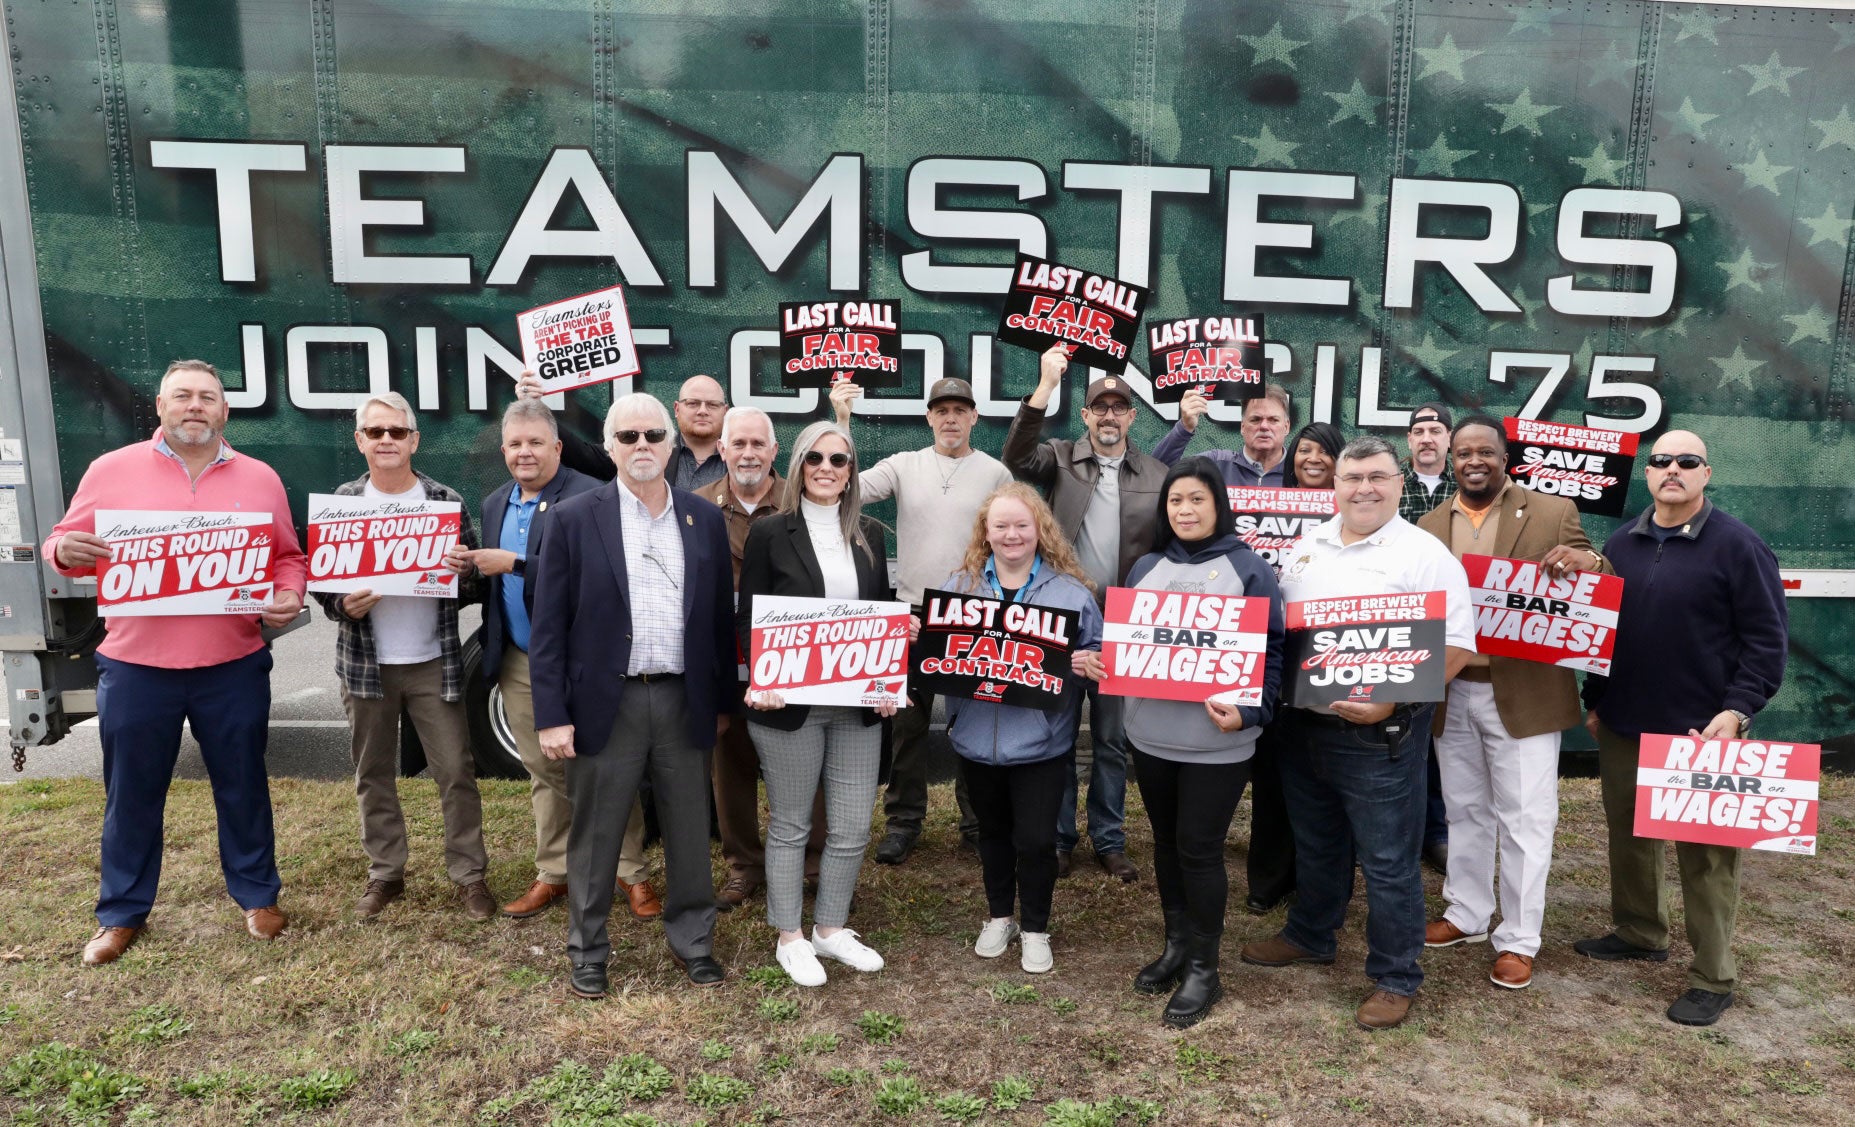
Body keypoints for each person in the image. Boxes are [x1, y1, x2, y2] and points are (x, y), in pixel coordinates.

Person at [46, 360, 307, 966]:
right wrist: (64, 550)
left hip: (233, 663)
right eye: (182, 396)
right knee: (132, 794)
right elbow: (65, 544)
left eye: (208, 398)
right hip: (137, 667)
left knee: (242, 786)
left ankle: (257, 895)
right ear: (160, 406)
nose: (196, 406)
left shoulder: (261, 478)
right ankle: (121, 913)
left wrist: (288, 595)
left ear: (224, 411)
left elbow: (288, 558)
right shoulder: (111, 471)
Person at [1239, 436, 1475, 1031]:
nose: (1364, 488)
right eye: (1353, 478)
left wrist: (1391, 700)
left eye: (1377, 477)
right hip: (1303, 726)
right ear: (1335, 485)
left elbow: (1457, 647)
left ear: (1399, 483)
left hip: (1380, 734)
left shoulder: (1425, 555)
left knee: (1389, 858)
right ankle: (1312, 934)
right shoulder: (1305, 545)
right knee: (1317, 841)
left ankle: (1396, 975)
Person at [1576, 430, 1787, 1027]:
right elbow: (1603, 632)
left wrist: (1738, 710)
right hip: (1624, 723)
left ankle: (1713, 975)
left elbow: (1767, 643)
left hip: (1701, 735)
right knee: (1631, 835)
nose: (1673, 469)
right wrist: (1597, 698)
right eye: (1661, 460)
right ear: (1647, 474)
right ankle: (1641, 932)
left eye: (1686, 461)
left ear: (1705, 472)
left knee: (1708, 860)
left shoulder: (1740, 546)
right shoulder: (1623, 541)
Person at [529, 393, 737, 998]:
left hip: (683, 699)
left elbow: (719, 627)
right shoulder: (572, 517)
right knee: (596, 833)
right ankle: (588, 951)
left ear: (671, 445)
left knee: (691, 826)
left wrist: (721, 702)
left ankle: (694, 942)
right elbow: (548, 629)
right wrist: (552, 716)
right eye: (627, 437)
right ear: (610, 447)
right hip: (606, 703)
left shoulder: (703, 518)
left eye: (652, 435)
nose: (641, 446)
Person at [1077, 457, 1284, 1027]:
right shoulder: (1145, 566)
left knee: (1199, 848)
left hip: (1217, 745)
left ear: (1219, 503)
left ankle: (1205, 967)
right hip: (1151, 737)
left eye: (1196, 499)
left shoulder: (1251, 570)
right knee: (1165, 844)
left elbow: (1275, 659)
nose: (1185, 510)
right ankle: (1175, 944)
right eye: (1175, 501)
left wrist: (1249, 713)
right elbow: (1127, 647)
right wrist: (1102, 662)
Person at [1415, 415, 1608, 990]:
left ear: (1506, 457)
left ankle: (1519, 939)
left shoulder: (1552, 511)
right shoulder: (1427, 525)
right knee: (1465, 809)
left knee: (1526, 818)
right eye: (1463, 453)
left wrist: (1589, 563)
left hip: (1524, 692)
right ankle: (1467, 913)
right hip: (1452, 690)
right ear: (1451, 460)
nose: (1475, 461)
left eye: (1486, 452)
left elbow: (1600, 577)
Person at [459, 400, 655, 921]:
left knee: (610, 767)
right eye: (516, 444)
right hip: (522, 661)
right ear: (503, 451)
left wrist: (515, 564)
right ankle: (555, 872)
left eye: (536, 442)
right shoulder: (496, 503)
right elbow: (493, 584)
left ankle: (631, 872)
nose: (525, 452)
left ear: (558, 447)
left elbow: (598, 574)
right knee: (544, 770)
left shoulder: (593, 496)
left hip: (587, 661)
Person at [312, 393, 492, 921]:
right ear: (360, 441)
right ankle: (385, 874)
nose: (386, 440)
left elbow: (474, 579)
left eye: (396, 431)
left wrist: (464, 571)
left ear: (414, 440)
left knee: (455, 770)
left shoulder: (443, 498)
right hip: (366, 664)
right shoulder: (342, 502)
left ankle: (469, 875)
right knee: (373, 771)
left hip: (433, 660)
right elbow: (324, 588)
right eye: (375, 432)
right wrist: (343, 604)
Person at [737, 421, 900, 986]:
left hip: (856, 705)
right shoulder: (770, 533)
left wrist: (888, 677)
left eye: (839, 459)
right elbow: (748, 619)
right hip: (789, 705)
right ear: (800, 466)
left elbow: (879, 614)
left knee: (853, 826)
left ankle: (830, 929)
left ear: (852, 470)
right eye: (815, 459)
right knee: (791, 823)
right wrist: (759, 675)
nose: (827, 468)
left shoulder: (872, 534)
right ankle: (790, 936)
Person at [1003, 344, 1168, 882]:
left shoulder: (1157, 473)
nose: (1110, 416)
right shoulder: (1060, 457)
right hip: (1065, 615)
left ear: (1132, 417)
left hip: (1124, 622)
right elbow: (1015, 458)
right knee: (1058, 732)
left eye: (1119, 407)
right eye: (1100, 407)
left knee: (1112, 740)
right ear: (1086, 415)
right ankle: (1058, 838)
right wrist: (1045, 384)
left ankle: (1109, 838)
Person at [831, 376, 1014, 864]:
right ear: (928, 417)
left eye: (960, 409)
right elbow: (848, 489)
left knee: (976, 721)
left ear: (975, 417)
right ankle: (904, 822)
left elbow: (1013, 535)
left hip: (975, 614)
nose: (951, 418)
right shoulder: (903, 465)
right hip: (912, 614)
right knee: (908, 724)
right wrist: (842, 421)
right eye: (941, 410)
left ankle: (977, 823)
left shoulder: (996, 472)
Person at [940, 484, 1103, 975]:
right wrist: (920, 636)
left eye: (1022, 525)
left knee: (1035, 841)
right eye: (1001, 526)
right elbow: (938, 657)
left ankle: (1035, 926)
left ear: (1040, 531)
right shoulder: (959, 588)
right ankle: (999, 916)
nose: (1011, 535)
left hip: (1041, 744)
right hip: (975, 740)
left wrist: (1089, 662)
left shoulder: (1072, 593)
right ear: (985, 533)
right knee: (991, 835)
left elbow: (1100, 660)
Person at [700, 406, 827, 910]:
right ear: (722, 450)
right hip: (722, 661)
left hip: (792, 660)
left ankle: (813, 864)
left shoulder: (803, 504)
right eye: (739, 444)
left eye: (759, 444)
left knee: (804, 761)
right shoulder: (695, 507)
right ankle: (744, 866)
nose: (748, 453)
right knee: (729, 765)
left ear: (775, 452)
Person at [1247, 419, 1345, 912]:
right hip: (1274, 657)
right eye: (1303, 451)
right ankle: (1267, 881)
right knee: (1271, 777)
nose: (1312, 459)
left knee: (1326, 782)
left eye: (1323, 452)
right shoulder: (1265, 509)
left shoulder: (1354, 520)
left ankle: (1320, 885)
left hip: (1333, 657)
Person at [1396, 402, 1457, 875]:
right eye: (1419, 430)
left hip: (1456, 624)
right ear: (1409, 440)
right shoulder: (1391, 484)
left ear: (1449, 439)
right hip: (1402, 619)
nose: (1427, 437)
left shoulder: (1472, 488)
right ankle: (1401, 830)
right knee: (1406, 727)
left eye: (1436, 429)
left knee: (1442, 736)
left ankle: (1436, 832)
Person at [520, 372, 728, 491]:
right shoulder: (646, 449)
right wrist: (536, 408)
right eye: (693, 403)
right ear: (677, 409)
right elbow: (580, 455)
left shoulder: (741, 458)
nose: (702, 411)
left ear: (725, 410)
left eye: (712, 405)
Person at [1152, 384, 1294, 486]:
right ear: (1242, 427)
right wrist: (1185, 427)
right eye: (1255, 419)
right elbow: (1156, 472)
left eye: (1273, 420)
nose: (1264, 426)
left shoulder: (1298, 472)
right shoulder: (1216, 463)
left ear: (1286, 427)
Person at [1283, 422, 1345, 489]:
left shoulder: (1353, 498)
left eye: (1325, 452)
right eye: (1305, 450)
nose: (1314, 459)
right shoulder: (1274, 497)